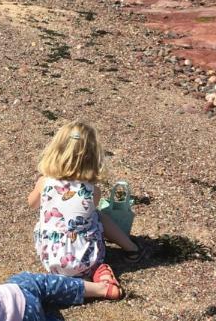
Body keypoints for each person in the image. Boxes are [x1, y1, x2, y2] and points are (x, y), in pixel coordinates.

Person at [28, 121, 143, 297]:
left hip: (52, 261)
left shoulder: (45, 183)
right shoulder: (92, 191)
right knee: (97, 216)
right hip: (86, 259)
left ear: (55, 151)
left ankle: (76, 277)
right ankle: (125, 251)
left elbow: (32, 203)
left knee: (47, 221)